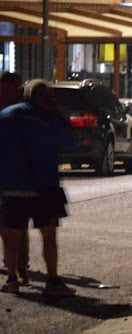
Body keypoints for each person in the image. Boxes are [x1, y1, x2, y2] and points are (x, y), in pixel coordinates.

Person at [0, 79, 75, 296]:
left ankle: (11, 278)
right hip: (45, 186)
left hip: (14, 185)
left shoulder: (6, 115)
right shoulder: (48, 118)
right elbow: (69, 142)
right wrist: (58, 114)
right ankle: (52, 281)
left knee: (12, 236)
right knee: (48, 235)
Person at [0, 71, 30, 285]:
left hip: (14, 175)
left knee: (15, 223)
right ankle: (15, 265)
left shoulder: (21, 111)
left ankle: (19, 266)